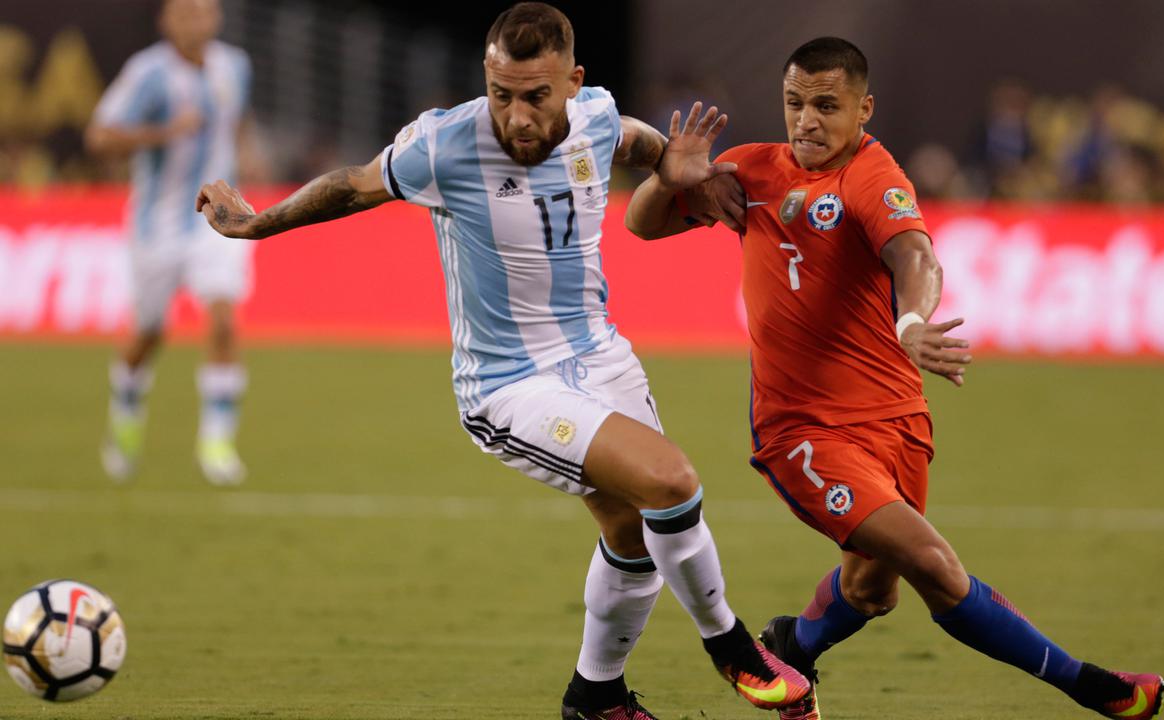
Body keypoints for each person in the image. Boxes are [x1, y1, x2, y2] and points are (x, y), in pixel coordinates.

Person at [193, 4, 809, 719]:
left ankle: (595, 696)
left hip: (603, 358)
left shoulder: (596, 118)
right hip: (509, 387)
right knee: (670, 481)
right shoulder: (443, 145)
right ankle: (733, 649)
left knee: (631, 531)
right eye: (502, 95)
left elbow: (634, 141)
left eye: (536, 97)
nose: (516, 116)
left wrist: (670, 166)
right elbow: (354, 184)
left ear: (572, 84)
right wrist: (256, 222)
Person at [625, 37, 1164, 720]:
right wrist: (669, 179)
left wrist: (911, 323)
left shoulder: (872, 176)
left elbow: (915, 255)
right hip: (805, 431)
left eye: (827, 105)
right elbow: (643, 226)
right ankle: (1097, 689)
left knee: (873, 589)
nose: (807, 121)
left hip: (895, 420)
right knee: (935, 567)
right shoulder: (748, 172)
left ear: (863, 109)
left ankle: (791, 646)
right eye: (795, 104)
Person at [86, 0, 258, 486]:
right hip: (156, 226)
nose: (194, 22)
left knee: (223, 321)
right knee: (148, 334)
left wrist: (247, 154)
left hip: (218, 221)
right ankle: (126, 404)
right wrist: (163, 132)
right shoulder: (147, 73)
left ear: (216, 18)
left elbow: (236, 119)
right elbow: (99, 137)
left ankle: (218, 443)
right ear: (166, 21)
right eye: (184, 13)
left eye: (203, 12)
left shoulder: (234, 66)